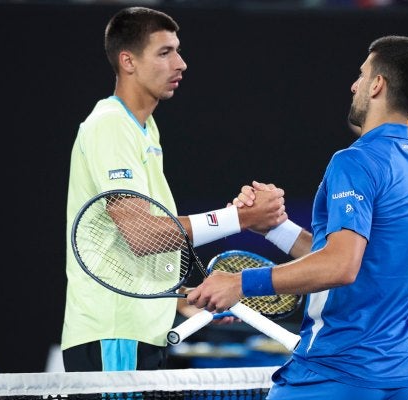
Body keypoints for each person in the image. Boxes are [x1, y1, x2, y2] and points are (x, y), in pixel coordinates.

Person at [187, 35, 408, 399]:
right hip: (397, 377)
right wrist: (275, 229)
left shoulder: (354, 162)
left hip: (332, 374)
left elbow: (340, 266)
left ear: (378, 85)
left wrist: (240, 283)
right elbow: (355, 263)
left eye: (362, 74)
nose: (354, 85)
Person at [61, 7, 287, 372]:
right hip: (116, 334)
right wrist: (240, 218)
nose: (180, 63)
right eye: (164, 52)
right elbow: (142, 234)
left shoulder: (146, 129)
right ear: (128, 61)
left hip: (143, 331)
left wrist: (184, 302)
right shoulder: (110, 126)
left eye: (178, 51)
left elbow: (131, 251)